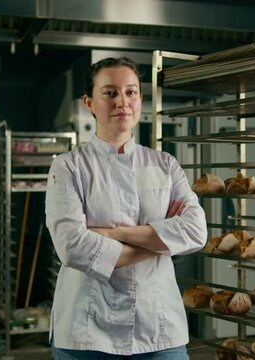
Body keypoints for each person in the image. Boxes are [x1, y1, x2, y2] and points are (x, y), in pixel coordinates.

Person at [45, 57, 208, 360]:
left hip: (157, 326)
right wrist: (161, 243)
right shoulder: (68, 166)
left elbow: (197, 231)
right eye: (110, 93)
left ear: (140, 100)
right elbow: (72, 247)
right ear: (89, 102)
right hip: (86, 329)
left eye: (131, 92)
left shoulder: (165, 164)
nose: (122, 101)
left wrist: (115, 234)